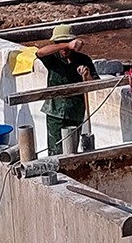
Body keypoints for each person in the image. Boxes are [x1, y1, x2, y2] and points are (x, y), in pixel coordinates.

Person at [35, 25, 97, 156]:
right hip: (55, 111)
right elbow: (40, 52)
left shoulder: (83, 60)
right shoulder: (53, 58)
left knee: (71, 150)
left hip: (75, 111)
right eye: (59, 44)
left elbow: (95, 84)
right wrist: (66, 45)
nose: (64, 50)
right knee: (56, 151)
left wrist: (87, 76)